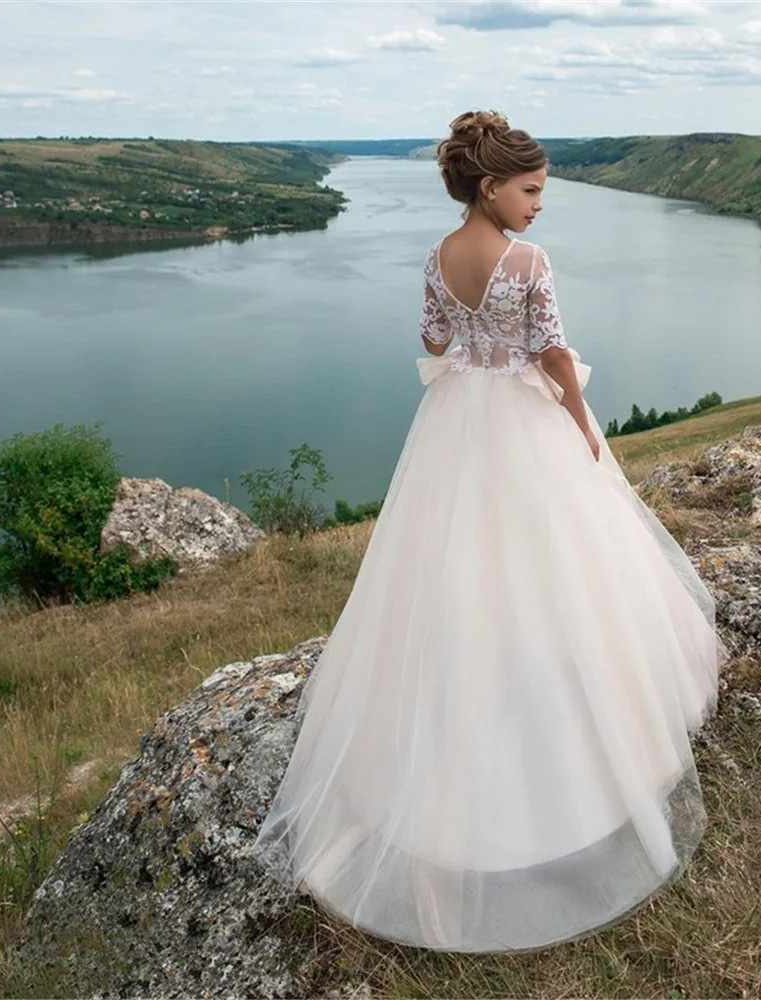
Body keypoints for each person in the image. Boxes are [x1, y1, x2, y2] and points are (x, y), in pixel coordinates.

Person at [246, 110, 726, 954]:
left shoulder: (437, 257)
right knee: (558, 580)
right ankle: (579, 774)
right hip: (522, 425)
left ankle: (430, 785)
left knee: (453, 582)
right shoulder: (528, 261)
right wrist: (582, 424)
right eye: (532, 189)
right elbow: (551, 352)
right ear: (489, 186)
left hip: (453, 427)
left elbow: (434, 338)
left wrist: (468, 335)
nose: (541, 204)